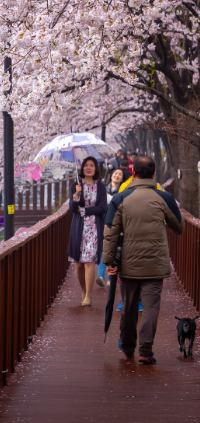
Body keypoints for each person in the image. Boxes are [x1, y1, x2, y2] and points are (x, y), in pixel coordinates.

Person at [104, 156, 184, 365]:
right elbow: (179, 227)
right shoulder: (164, 198)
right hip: (155, 264)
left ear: (133, 173)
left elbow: (111, 232)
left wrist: (109, 260)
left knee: (129, 306)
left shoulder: (120, 198)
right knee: (150, 308)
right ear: (154, 174)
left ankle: (128, 347)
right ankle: (145, 351)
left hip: (129, 264)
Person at [67, 157, 107, 307]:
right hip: (79, 228)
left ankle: (88, 296)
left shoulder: (100, 187)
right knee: (79, 263)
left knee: (89, 261)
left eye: (91, 165)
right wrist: (76, 196)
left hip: (94, 228)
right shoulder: (76, 185)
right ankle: (83, 290)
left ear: (96, 168)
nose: (88, 168)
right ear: (82, 168)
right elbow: (72, 209)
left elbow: (103, 207)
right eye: (86, 165)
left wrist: (85, 210)